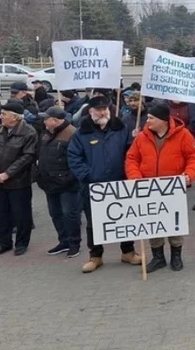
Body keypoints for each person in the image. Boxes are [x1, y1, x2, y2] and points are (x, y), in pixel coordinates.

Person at [67, 95, 142, 273]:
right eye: (99, 109)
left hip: (119, 184)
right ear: (90, 111)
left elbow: (130, 152)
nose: (103, 112)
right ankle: (95, 256)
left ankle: (128, 252)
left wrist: (137, 140)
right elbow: (74, 157)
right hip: (93, 187)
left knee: (125, 219)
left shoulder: (120, 128)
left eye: (105, 109)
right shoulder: (81, 133)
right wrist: (88, 176)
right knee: (94, 223)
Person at [126, 104, 195, 272]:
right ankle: (158, 257)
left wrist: (188, 174)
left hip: (172, 189)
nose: (148, 120)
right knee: (153, 224)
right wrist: (135, 178)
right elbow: (132, 158)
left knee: (174, 224)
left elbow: (194, 157)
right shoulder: (141, 137)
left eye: (151, 118)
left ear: (163, 120)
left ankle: (176, 256)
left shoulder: (183, 135)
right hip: (148, 189)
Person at [0, 102, 38, 256]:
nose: (0, 116)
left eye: (4, 114)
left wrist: (7, 174)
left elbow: (27, 157)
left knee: (21, 215)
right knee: (1, 215)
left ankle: (21, 243)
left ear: (15, 117)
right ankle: (4, 243)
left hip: (19, 182)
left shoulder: (29, 132)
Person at [34, 107, 81, 258]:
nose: (44, 121)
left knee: (69, 214)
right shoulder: (47, 133)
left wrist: (69, 178)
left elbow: (78, 159)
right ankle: (64, 241)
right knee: (55, 214)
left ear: (55, 120)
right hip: (49, 182)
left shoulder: (73, 133)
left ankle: (74, 244)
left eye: (46, 118)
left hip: (67, 184)